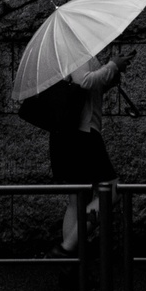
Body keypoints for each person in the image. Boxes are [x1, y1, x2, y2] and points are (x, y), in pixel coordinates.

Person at [46, 46, 136, 258]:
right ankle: (66, 250)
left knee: (77, 200)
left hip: (68, 133)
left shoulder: (69, 50)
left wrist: (111, 75)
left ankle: (71, 264)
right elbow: (84, 81)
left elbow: (85, 90)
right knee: (112, 190)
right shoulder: (73, 49)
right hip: (82, 134)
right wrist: (113, 65)